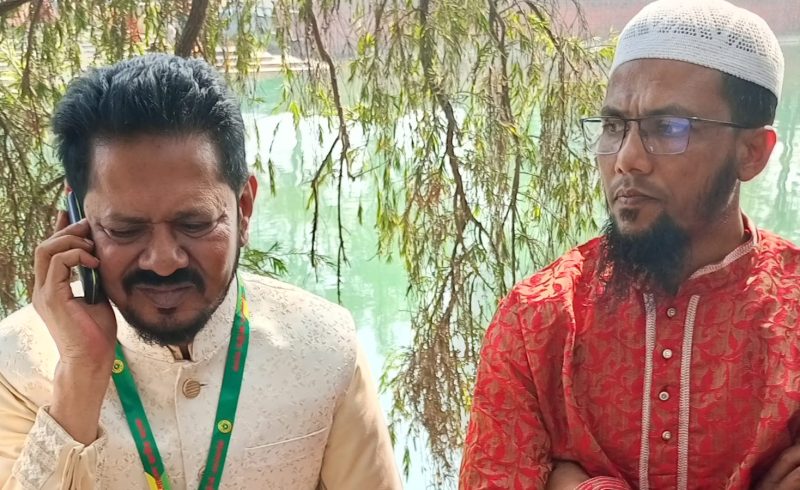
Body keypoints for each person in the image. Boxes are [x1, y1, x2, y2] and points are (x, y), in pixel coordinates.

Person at [0, 53, 402, 489]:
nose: (163, 260)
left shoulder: (325, 347)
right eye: (125, 230)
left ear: (244, 208)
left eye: (194, 223)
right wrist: (81, 374)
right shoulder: (17, 363)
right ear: (77, 219)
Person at [459, 1, 800, 489]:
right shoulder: (538, 321)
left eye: (669, 127)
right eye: (614, 126)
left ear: (751, 153)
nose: (627, 159)